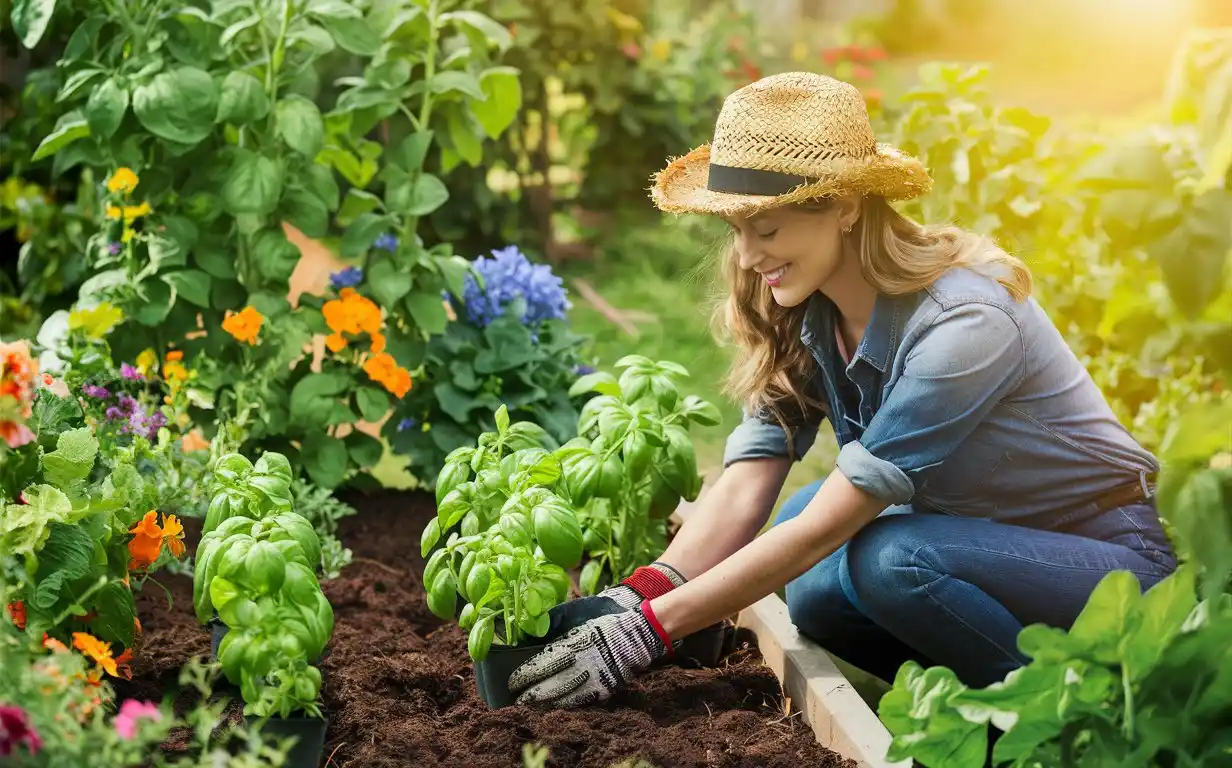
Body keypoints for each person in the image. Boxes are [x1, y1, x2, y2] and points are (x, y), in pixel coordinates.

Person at [507, 72, 1176, 708]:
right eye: (736, 231)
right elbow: (747, 479)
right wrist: (641, 596)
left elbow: (846, 512)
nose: (746, 257)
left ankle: (1069, 715)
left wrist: (651, 632)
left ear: (847, 207)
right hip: (977, 540)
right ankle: (977, 704)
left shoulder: (966, 320)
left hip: (1109, 562)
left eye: (766, 229)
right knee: (816, 582)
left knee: (888, 559)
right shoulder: (812, 312)